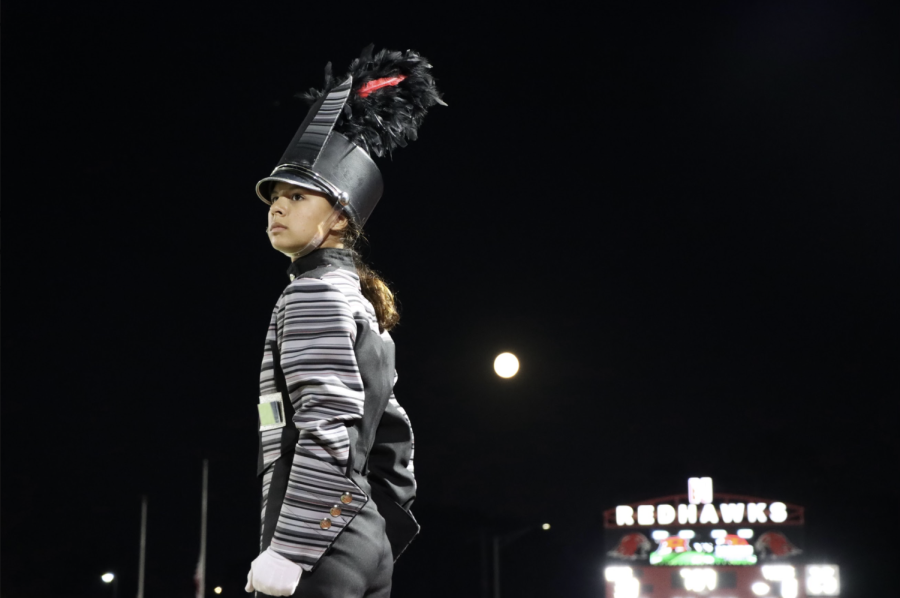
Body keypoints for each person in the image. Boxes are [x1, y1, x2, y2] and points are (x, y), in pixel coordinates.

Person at [244, 46, 445, 597]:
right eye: (274, 198)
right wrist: (372, 528)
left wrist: (289, 551)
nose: (276, 209)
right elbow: (394, 439)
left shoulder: (311, 296)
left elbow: (326, 427)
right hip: (361, 536)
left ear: (339, 217)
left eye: (297, 196)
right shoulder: (359, 300)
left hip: (316, 544)